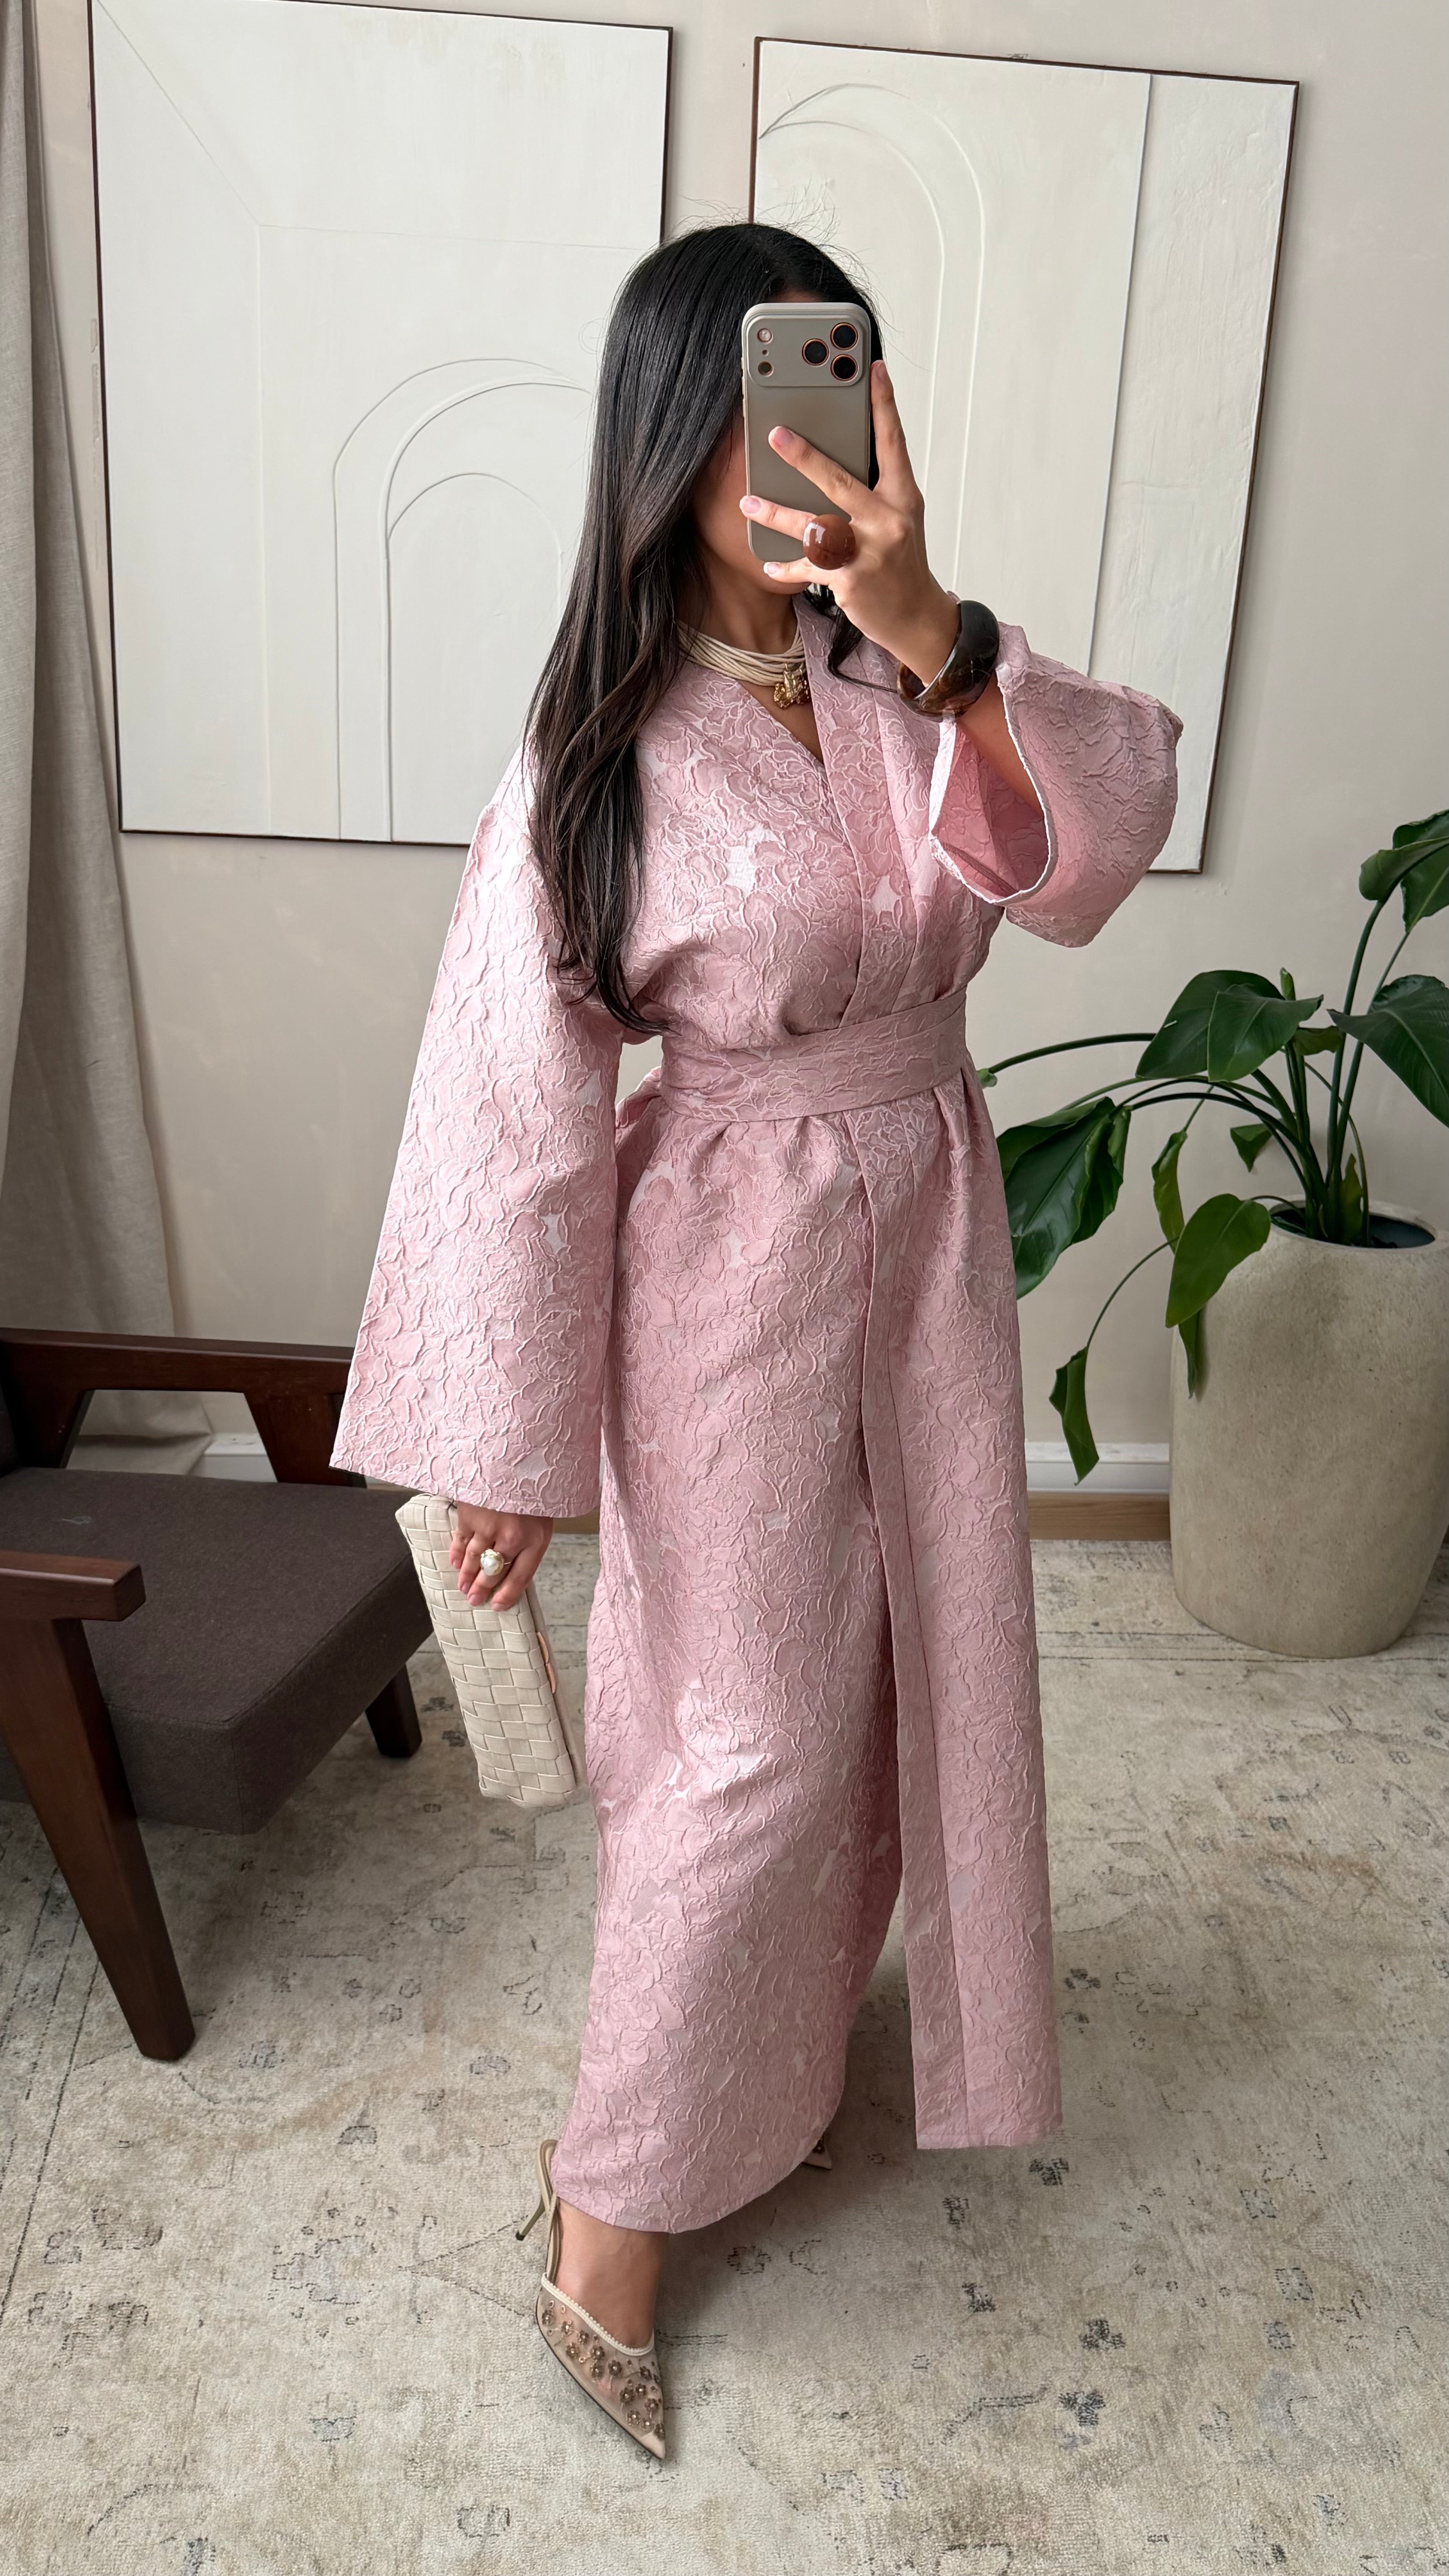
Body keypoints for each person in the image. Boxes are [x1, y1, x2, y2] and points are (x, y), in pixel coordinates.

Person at [331, 223, 1182, 2462]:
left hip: (932, 1231)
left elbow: (1099, 846)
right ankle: (608, 2210)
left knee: (907, 1682)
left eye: (839, 394)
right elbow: (508, 1121)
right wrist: (504, 1449)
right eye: (761, 411)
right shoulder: (594, 757)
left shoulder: (911, 675)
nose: (806, 452)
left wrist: (945, 630)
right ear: (668, 436)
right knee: (748, 1740)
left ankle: (774, 2077)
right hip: (733, 1261)